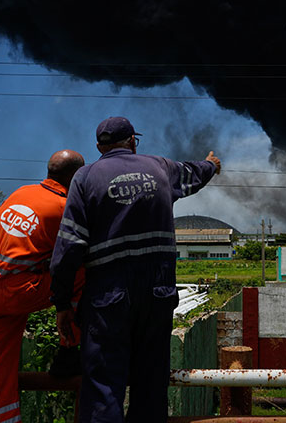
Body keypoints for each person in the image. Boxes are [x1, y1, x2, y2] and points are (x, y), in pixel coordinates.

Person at [50, 116, 221, 423]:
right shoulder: (161, 168)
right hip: (158, 292)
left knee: (103, 385)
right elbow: (196, 172)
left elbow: (70, 246)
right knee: (151, 382)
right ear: (132, 141)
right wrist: (211, 164)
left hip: (108, 295)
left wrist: (62, 303)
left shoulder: (85, 178)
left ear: (99, 147)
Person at [0, 149, 86, 423]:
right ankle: (69, 349)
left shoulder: (21, 193)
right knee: (83, 272)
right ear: (76, 177)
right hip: (12, 292)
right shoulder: (64, 208)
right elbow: (69, 259)